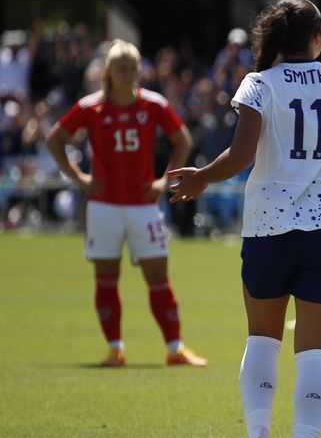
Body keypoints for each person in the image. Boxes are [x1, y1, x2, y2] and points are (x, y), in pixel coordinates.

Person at [168, 0, 321, 438]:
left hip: (268, 228)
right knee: (315, 351)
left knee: (263, 340)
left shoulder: (259, 84)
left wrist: (200, 177)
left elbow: (241, 155)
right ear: (318, 39)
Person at [46, 39, 206, 368]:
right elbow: (55, 139)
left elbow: (183, 140)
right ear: (109, 71)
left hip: (143, 205)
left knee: (159, 277)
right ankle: (115, 348)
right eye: (122, 68)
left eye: (133, 67)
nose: (129, 74)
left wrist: (164, 181)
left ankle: (175, 347)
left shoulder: (153, 105)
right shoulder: (92, 107)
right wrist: (80, 178)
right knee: (106, 277)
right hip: (104, 206)